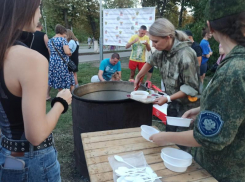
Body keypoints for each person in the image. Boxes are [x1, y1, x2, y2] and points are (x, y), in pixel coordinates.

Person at [149, 0, 245, 181]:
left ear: (210, 27)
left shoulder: (233, 71)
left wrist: (165, 136)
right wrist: (203, 108)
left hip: (223, 171)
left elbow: (210, 138)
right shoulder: (237, 62)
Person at [0, 0, 72, 181]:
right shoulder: (31, 60)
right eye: (39, 7)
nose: (39, 14)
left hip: (7, 153)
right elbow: (36, 135)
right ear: (26, 9)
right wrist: (61, 102)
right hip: (33, 161)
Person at [134, 18, 201, 133]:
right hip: (172, 102)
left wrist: (168, 98)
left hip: (188, 107)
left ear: (168, 37)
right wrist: (138, 76)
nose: (153, 45)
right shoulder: (161, 50)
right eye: (152, 41)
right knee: (169, 134)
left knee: (182, 141)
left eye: (156, 41)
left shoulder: (185, 54)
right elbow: (151, 61)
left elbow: (190, 87)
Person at [48, 25, 75, 91]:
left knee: (58, 79)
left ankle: (60, 94)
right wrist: (70, 53)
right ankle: (71, 95)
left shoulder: (50, 40)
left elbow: (49, 52)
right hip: (63, 62)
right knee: (67, 77)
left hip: (53, 62)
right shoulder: (63, 40)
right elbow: (67, 52)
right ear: (63, 32)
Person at [32, 22, 51, 100]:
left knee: (34, 76)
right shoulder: (43, 35)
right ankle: (46, 95)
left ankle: (35, 93)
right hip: (43, 59)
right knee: (46, 77)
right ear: (41, 26)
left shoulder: (29, 35)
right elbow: (49, 47)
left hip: (32, 59)